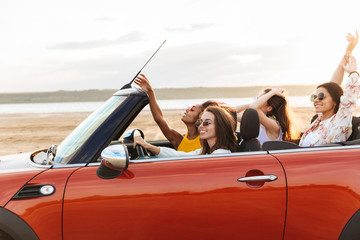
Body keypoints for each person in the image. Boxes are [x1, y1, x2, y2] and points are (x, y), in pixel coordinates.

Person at [299, 31, 360, 146]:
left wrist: (353, 72)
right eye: (314, 97)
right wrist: (347, 52)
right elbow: (332, 86)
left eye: (321, 96)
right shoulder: (317, 121)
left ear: (335, 102)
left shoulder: (340, 121)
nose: (316, 99)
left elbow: (349, 96)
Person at [134, 74, 219, 152]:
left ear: (200, 118)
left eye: (192, 109)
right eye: (189, 108)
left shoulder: (205, 138)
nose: (187, 110)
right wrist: (150, 92)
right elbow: (160, 119)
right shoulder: (179, 140)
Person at [134, 106, 237, 157]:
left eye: (207, 123)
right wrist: (148, 146)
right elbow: (179, 156)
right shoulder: (206, 151)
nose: (201, 126)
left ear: (220, 127)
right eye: (200, 122)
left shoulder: (220, 154)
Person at [232, 88, 297, 144]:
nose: (256, 101)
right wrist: (250, 104)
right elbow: (232, 112)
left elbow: (254, 107)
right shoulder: (256, 122)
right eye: (257, 99)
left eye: (260, 99)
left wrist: (273, 92)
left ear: (269, 108)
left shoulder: (274, 126)